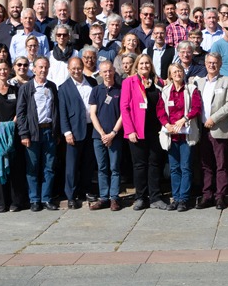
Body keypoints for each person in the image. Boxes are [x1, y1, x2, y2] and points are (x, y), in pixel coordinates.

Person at [120, 54, 167, 211]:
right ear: (137, 66)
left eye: (147, 63)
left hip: (155, 129)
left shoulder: (157, 82)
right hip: (137, 129)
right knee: (139, 165)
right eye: (141, 63)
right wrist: (130, 130)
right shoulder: (129, 82)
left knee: (155, 163)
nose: (144, 66)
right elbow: (124, 108)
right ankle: (140, 197)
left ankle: (155, 197)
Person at [16, 56, 61, 212]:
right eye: (40, 67)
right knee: (33, 167)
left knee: (49, 167)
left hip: (50, 131)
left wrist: (57, 132)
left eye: (46, 67)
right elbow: (21, 113)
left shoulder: (52, 87)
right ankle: (34, 199)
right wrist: (23, 134)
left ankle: (46, 198)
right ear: (33, 69)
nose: (43, 70)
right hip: (33, 133)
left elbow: (57, 110)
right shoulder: (26, 88)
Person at [0, 60, 27, 212]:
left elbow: (19, 110)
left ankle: (16, 201)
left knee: (15, 167)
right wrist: (1, 127)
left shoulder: (15, 89)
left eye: (5, 69)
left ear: (10, 71)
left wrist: (11, 126)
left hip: (12, 133)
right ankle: (0, 202)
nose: (2, 72)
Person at [157, 62, 203, 212]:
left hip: (186, 135)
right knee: (174, 168)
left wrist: (185, 118)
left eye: (180, 71)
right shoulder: (165, 91)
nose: (177, 74)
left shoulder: (191, 89)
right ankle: (175, 198)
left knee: (186, 167)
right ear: (170, 75)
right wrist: (166, 124)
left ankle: (184, 199)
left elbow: (196, 107)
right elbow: (160, 111)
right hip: (172, 135)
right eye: (174, 72)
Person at [194, 52, 228, 209]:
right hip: (202, 129)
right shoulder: (198, 82)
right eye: (209, 62)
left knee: (221, 164)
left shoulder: (227, 81)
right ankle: (207, 195)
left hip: (219, 128)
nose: (212, 65)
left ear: (220, 64)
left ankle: (220, 196)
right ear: (205, 64)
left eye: (215, 63)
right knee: (206, 165)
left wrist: (214, 118)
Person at [57, 56, 96, 209]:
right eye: (73, 68)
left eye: (79, 67)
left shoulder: (92, 82)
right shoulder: (64, 88)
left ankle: (85, 190)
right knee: (72, 166)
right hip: (73, 130)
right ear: (69, 69)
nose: (76, 71)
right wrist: (66, 132)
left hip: (91, 128)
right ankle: (71, 195)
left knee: (88, 163)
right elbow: (63, 112)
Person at [87, 60, 125, 210]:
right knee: (102, 167)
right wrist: (103, 133)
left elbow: (123, 114)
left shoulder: (120, 90)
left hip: (115, 135)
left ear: (114, 71)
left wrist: (113, 133)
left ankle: (114, 198)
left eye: (110, 71)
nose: (108, 74)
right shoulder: (96, 90)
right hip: (98, 136)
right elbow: (93, 114)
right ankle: (103, 198)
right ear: (100, 73)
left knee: (115, 167)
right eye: (104, 72)